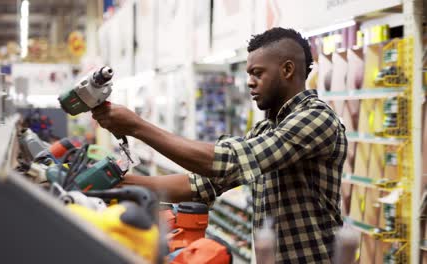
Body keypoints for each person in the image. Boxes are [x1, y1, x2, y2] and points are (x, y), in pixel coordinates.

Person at [92, 27, 347, 263]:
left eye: (257, 73)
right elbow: (200, 184)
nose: (249, 82)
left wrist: (136, 126)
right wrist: (112, 184)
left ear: (287, 70)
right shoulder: (265, 129)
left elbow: (228, 162)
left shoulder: (316, 118)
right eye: (249, 74)